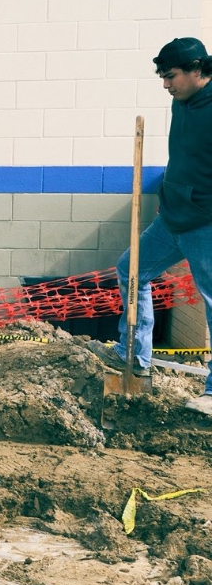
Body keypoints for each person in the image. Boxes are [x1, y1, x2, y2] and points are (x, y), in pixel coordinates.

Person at [108, 37, 212, 414]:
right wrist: (168, 198)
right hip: (172, 218)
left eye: (171, 77)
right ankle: (133, 355)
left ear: (198, 70)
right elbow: (184, 159)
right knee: (131, 270)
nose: (165, 85)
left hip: (205, 223)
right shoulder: (182, 101)